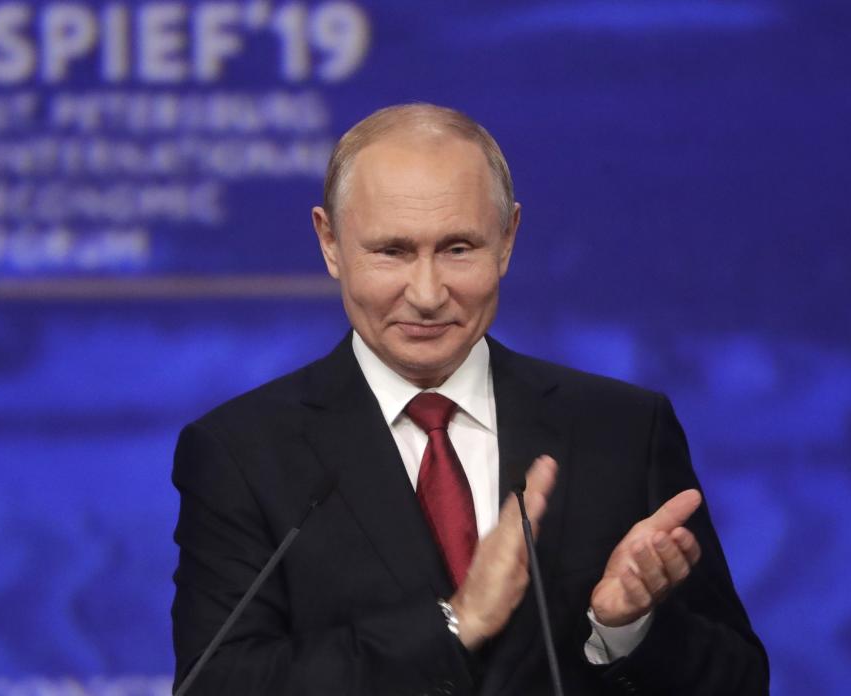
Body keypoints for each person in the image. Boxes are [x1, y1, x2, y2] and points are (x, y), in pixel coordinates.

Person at [171, 103, 769, 695]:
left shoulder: (621, 430)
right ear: (330, 244)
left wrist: (626, 630)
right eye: (393, 251)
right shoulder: (242, 453)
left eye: (458, 249)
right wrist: (455, 624)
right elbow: (217, 685)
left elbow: (741, 681)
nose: (428, 293)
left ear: (507, 239)